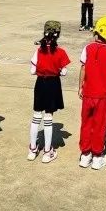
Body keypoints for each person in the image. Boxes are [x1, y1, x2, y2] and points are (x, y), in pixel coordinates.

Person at [78, 16, 106, 170]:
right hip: (103, 95)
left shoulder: (87, 48)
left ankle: (85, 154)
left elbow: (83, 69)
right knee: (100, 124)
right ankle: (97, 155)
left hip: (88, 93)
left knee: (86, 122)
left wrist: (80, 86)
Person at [28, 21, 70, 163]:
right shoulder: (60, 52)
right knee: (48, 117)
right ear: (58, 35)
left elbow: (32, 70)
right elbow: (64, 72)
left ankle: (33, 149)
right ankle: (47, 151)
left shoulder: (39, 50)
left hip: (40, 83)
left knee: (36, 116)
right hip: (53, 84)